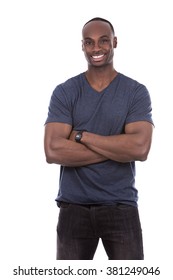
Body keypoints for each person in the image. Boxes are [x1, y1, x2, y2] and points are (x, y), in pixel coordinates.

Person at [44, 17, 154, 260]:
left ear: (114, 42)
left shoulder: (135, 92)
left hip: (121, 206)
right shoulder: (65, 92)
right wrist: (117, 147)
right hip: (73, 209)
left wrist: (81, 136)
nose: (96, 48)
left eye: (103, 41)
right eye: (89, 42)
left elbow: (140, 147)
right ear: (82, 46)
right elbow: (53, 151)